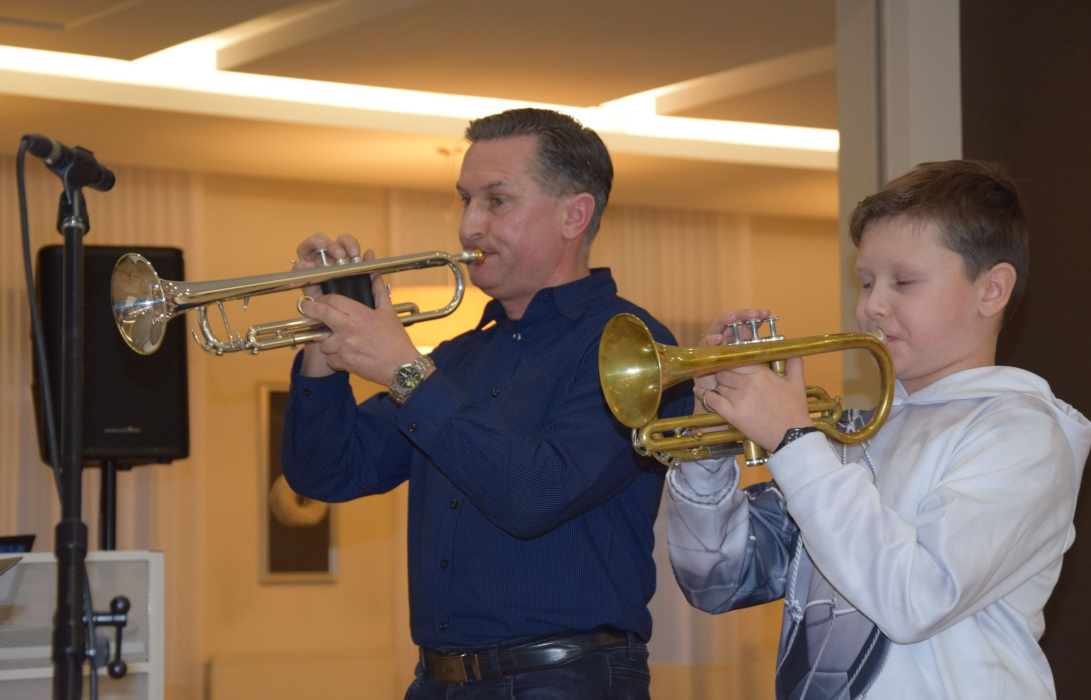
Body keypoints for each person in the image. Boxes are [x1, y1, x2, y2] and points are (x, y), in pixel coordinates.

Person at [280, 108, 691, 698]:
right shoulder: (457, 358)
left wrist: (406, 372)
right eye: (465, 200)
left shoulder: (633, 349)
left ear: (574, 215)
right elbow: (326, 471)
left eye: (496, 201)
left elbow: (535, 495)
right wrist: (325, 336)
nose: (469, 225)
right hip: (439, 681)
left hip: (566, 679)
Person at [664, 160, 1091, 699]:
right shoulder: (853, 436)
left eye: (903, 282)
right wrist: (708, 443)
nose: (871, 306)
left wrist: (794, 441)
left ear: (991, 291)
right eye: (866, 282)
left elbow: (915, 599)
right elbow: (719, 580)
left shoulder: (1023, 436)